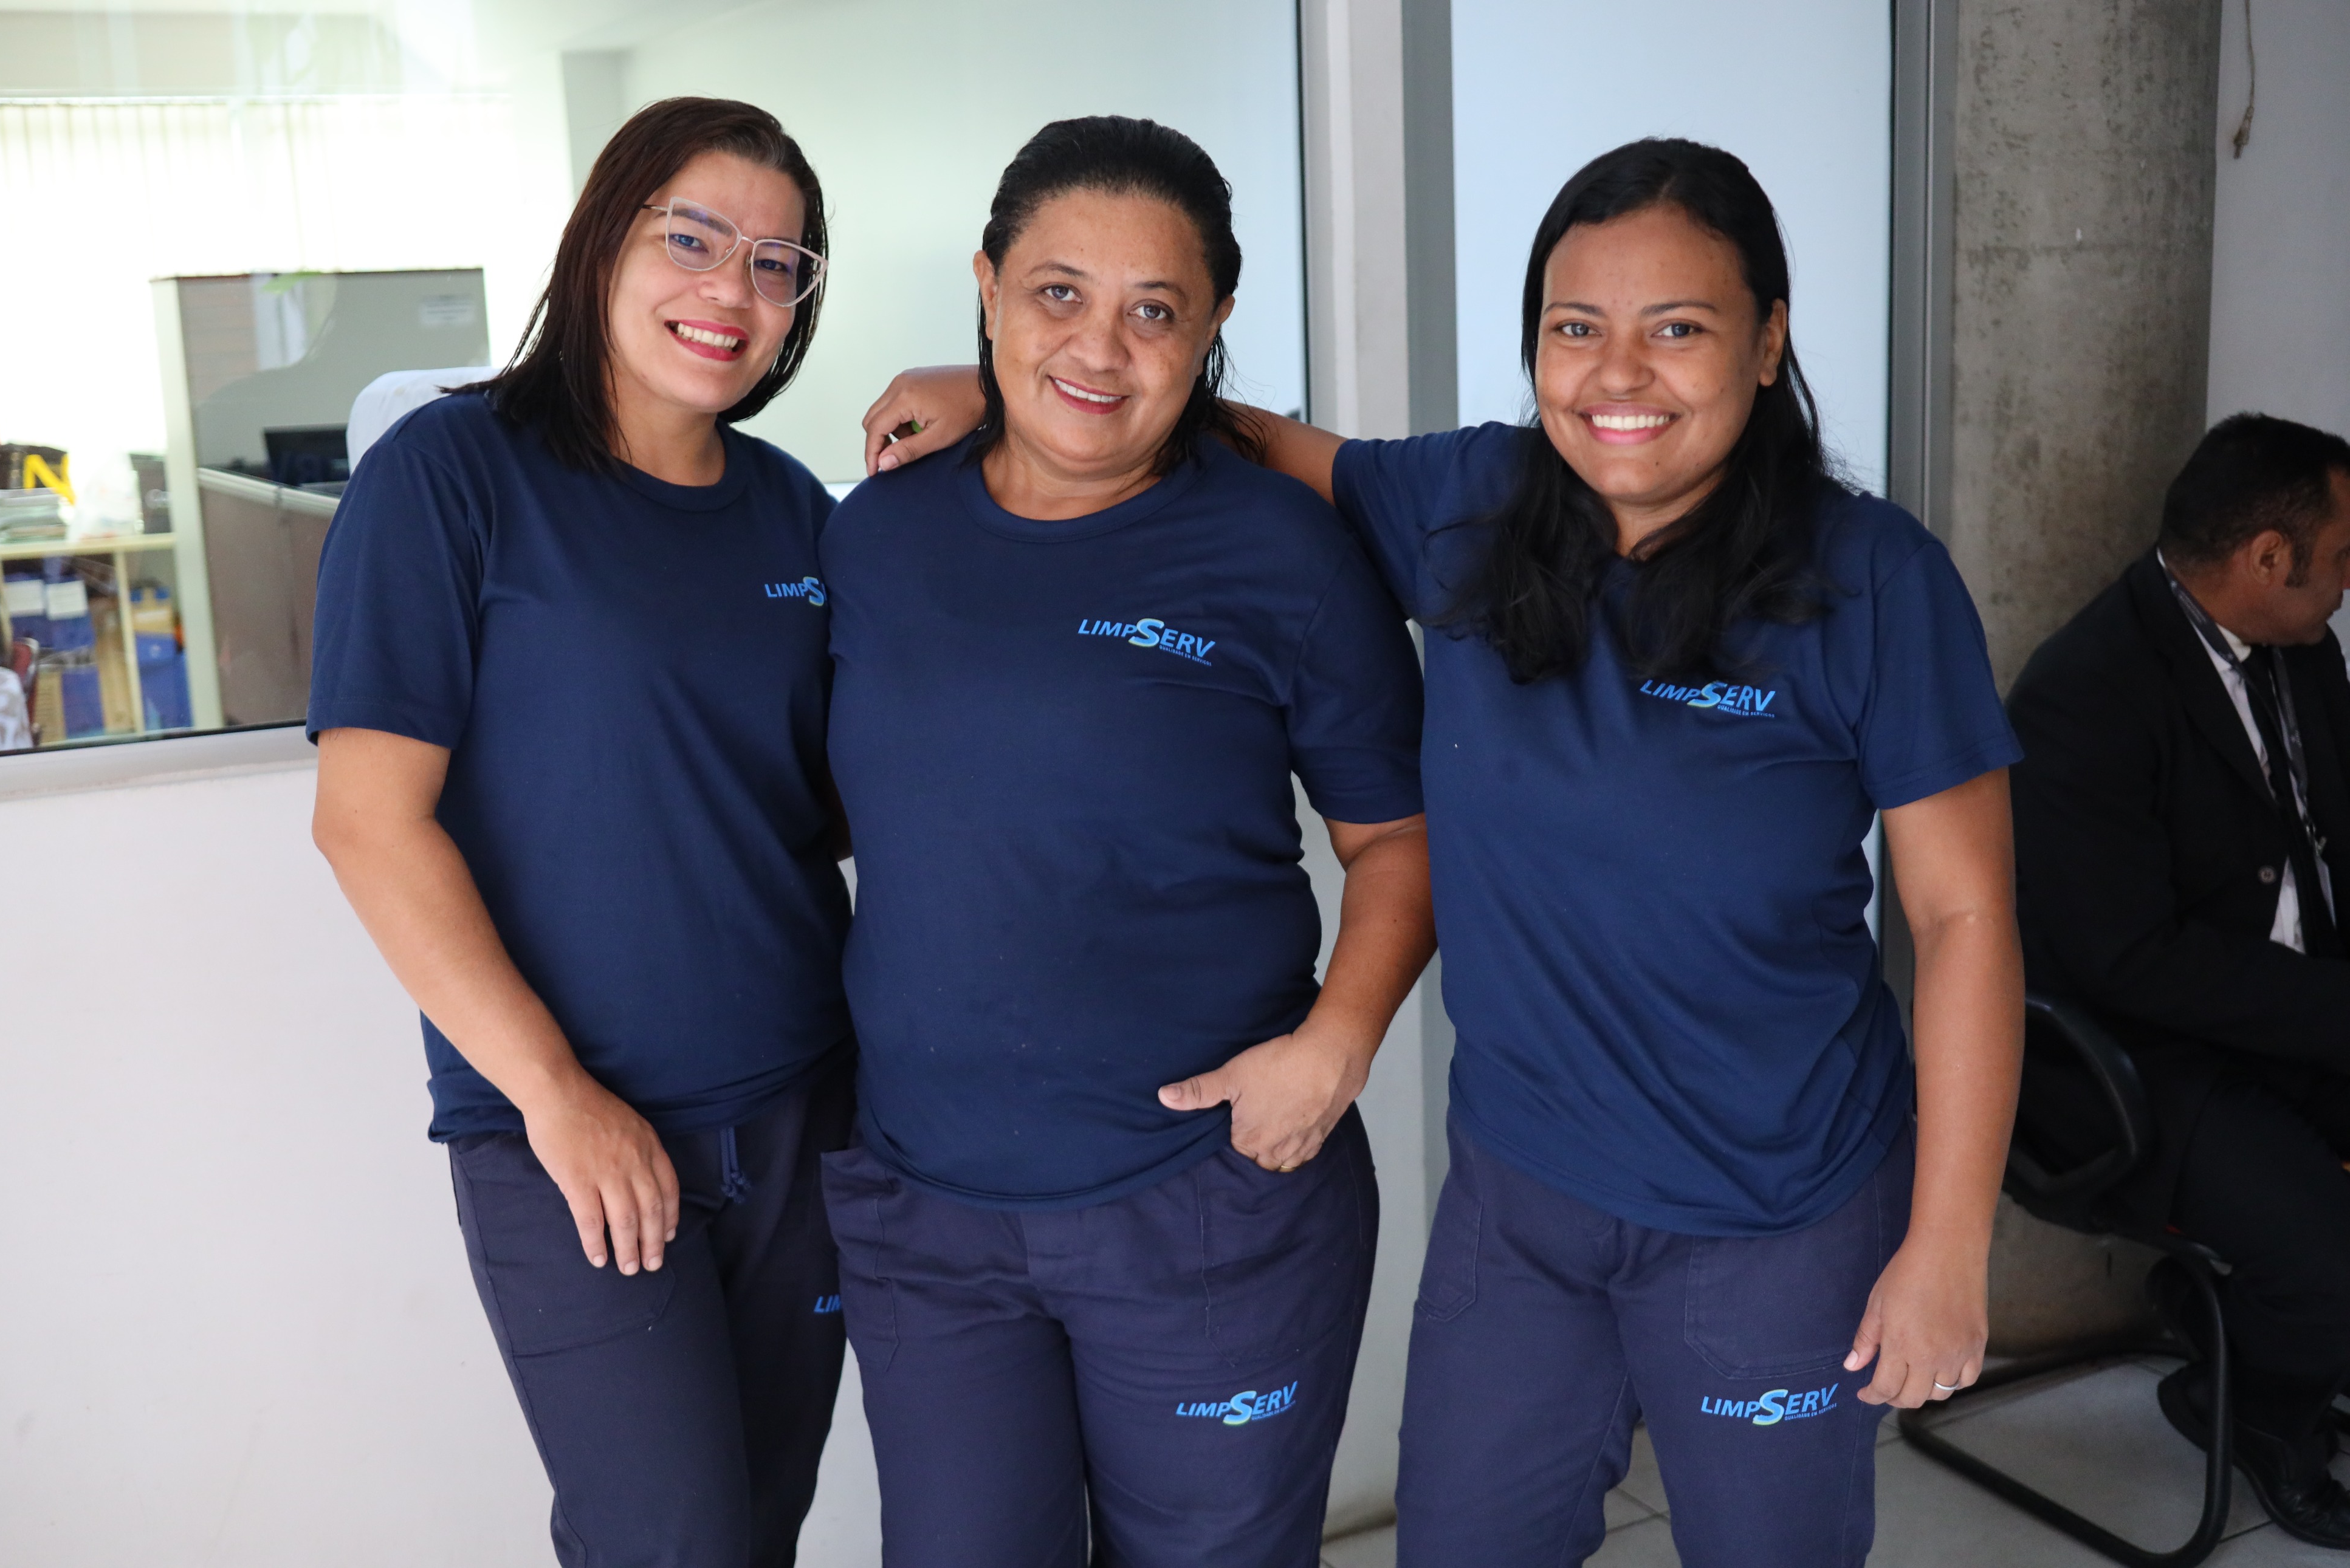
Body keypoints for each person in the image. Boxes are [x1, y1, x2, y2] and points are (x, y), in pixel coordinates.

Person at [865, 137, 2024, 1568]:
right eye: (1575, 328)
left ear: (1768, 339)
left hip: (1772, 1206)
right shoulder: (1476, 505)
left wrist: (1947, 1243)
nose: (1617, 374)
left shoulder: (1874, 579)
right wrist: (990, 388)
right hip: (1521, 1199)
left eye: (1676, 329)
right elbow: (1234, 434)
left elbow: (1964, 922)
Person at [819, 115, 1434, 1568]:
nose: (1099, 347)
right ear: (986, 288)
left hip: (1205, 1202)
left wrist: (1337, 1043)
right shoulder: (876, 537)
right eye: (1057, 293)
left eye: (1154, 310)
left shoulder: (1285, 552)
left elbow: (1402, 841)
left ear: (1211, 327)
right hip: (928, 1211)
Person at [309, 98, 851, 1568]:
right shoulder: (450, 474)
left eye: (777, 263)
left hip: (803, 1110)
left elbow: (838, 800)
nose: (732, 289)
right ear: (603, 235)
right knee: (667, 1538)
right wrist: (555, 1093)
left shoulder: (796, 516)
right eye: (694, 238)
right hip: (564, 1127)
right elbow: (366, 823)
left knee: (760, 1524)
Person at [2007, 414, 2350, 1548]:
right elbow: (2128, 957)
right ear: (2268, 556)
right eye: (2343, 555)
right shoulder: (2085, 690)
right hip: (2133, 1060)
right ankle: (2254, 1408)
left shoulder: (2303, 647)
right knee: (2332, 1254)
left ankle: (2249, 1326)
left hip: (2280, 1017)